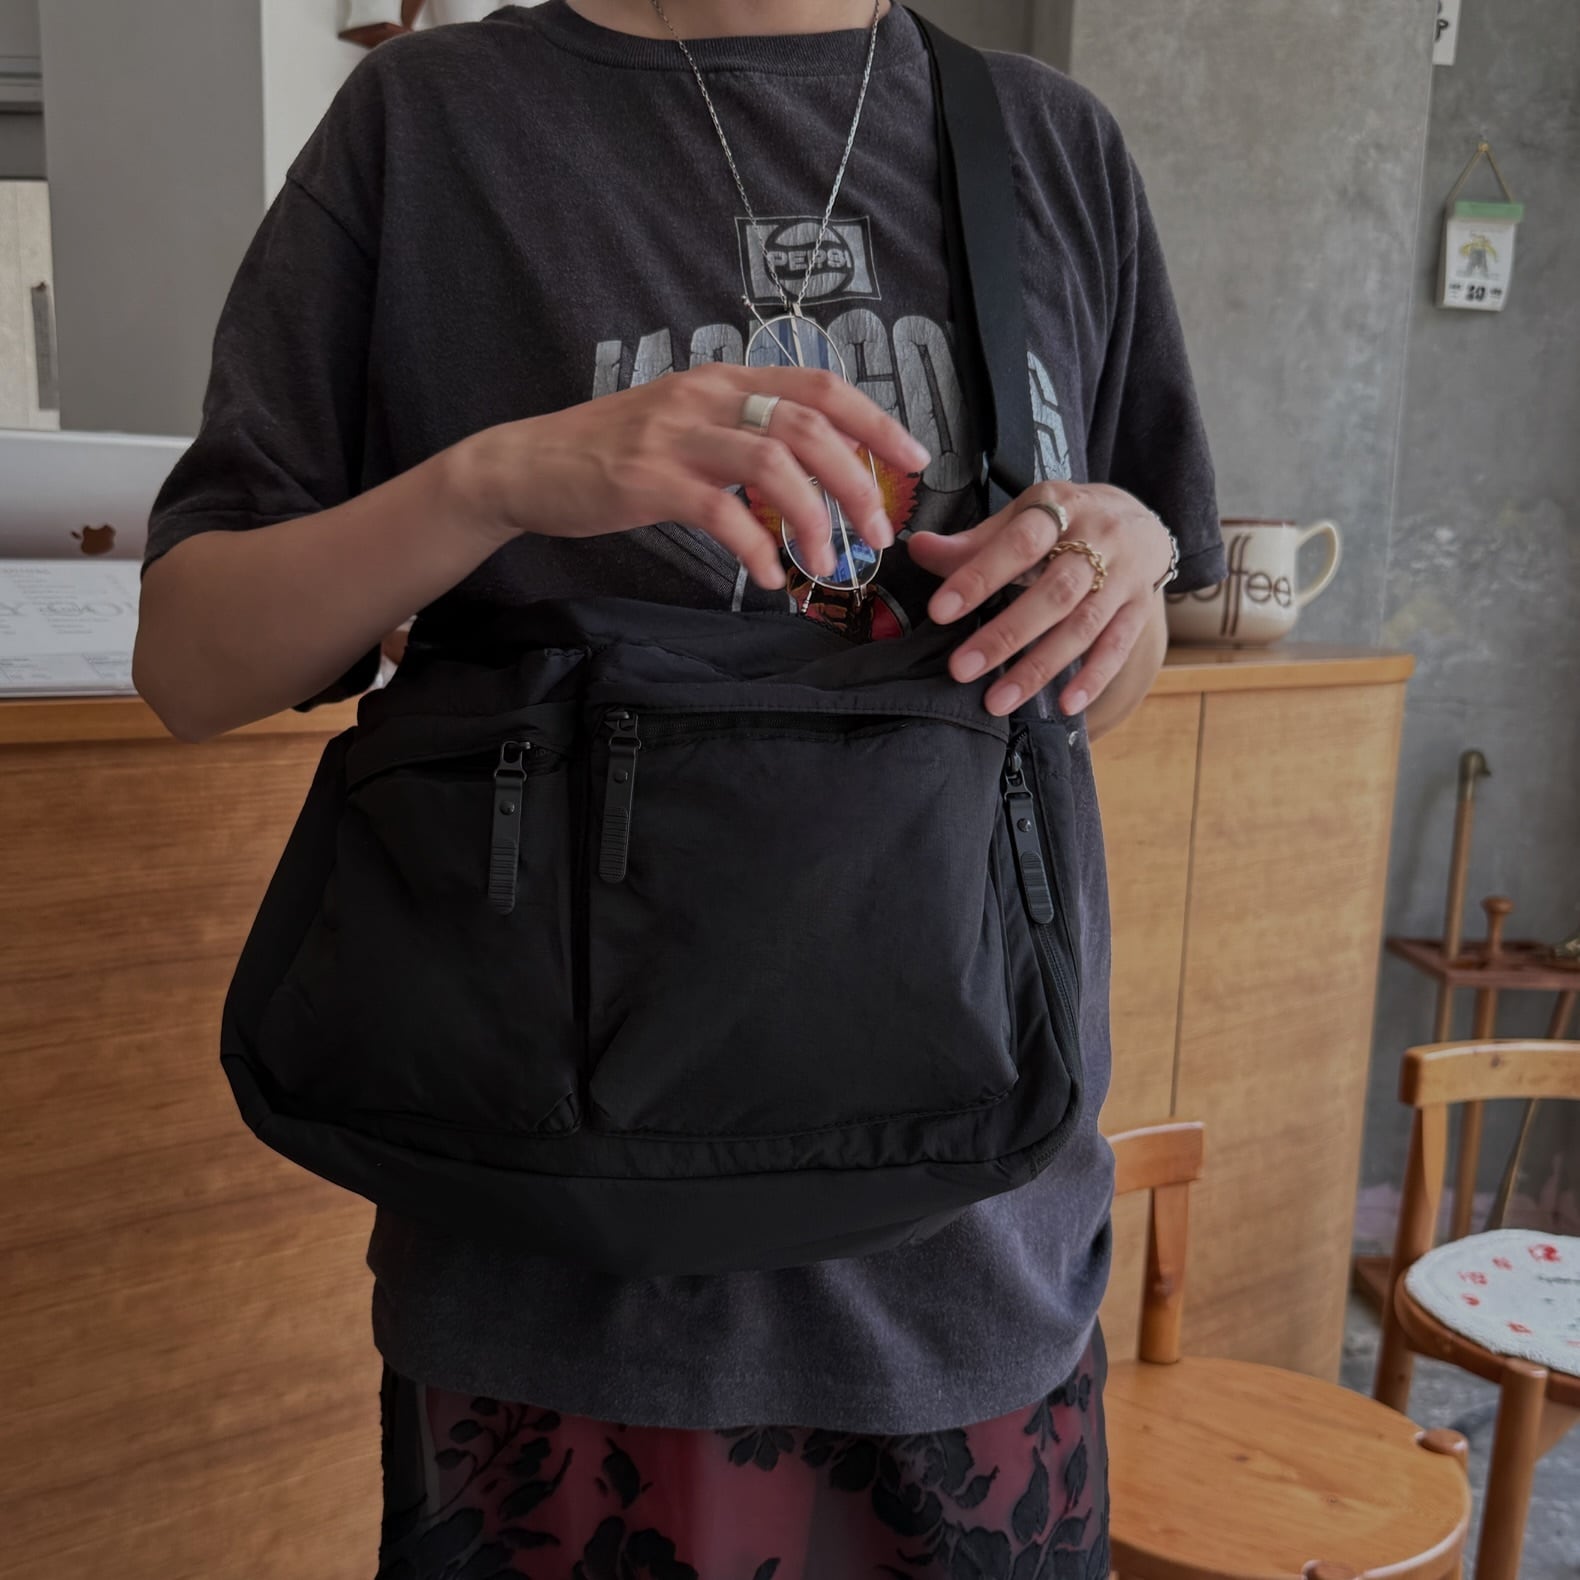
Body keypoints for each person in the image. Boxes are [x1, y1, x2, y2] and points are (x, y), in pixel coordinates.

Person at [134, 2, 1225, 1573]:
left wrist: (1110, 573)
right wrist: (493, 481)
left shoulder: (1048, 144)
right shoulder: (429, 125)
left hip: (976, 1272)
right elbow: (191, 661)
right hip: (548, 1297)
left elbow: (1087, 695)